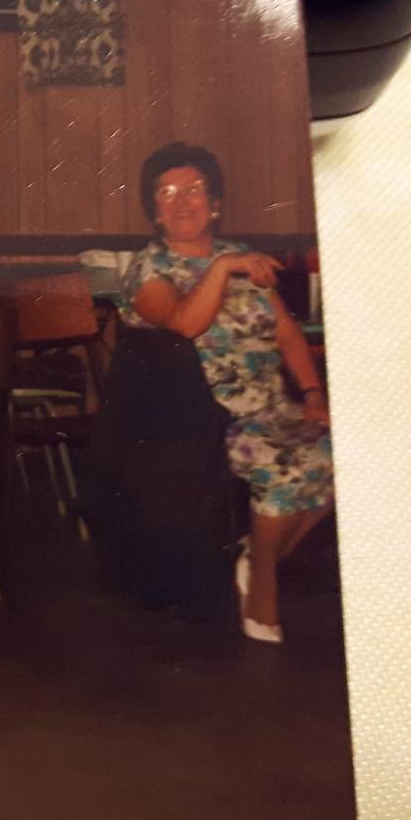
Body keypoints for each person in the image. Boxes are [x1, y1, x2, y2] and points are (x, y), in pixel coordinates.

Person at [119, 141, 333, 645]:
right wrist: (221, 268)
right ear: (154, 211)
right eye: (166, 193)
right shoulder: (149, 270)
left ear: (215, 203)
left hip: (271, 405)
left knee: (343, 452)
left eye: (194, 190)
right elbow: (185, 323)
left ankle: (258, 561)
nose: (181, 201)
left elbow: (285, 332)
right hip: (205, 418)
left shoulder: (242, 259)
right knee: (286, 465)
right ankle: (263, 591)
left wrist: (313, 392)